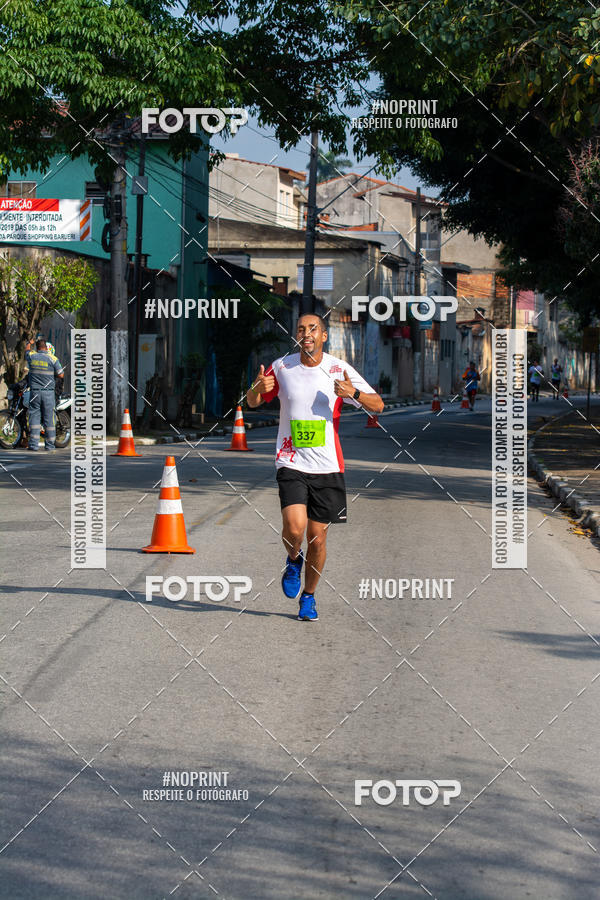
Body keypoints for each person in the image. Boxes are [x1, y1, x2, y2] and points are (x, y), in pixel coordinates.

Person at [246, 313, 384, 622]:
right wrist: (256, 387)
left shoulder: (338, 369)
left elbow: (378, 404)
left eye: (313, 329)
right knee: (294, 528)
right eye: (301, 329)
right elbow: (253, 401)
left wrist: (354, 394)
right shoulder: (282, 367)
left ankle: (308, 597)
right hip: (291, 461)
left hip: (328, 466)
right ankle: (293, 559)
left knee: (317, 539)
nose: (306, 333)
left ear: (324, 336)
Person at [25, 338, 64, 451]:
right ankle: (50, 446)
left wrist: (29, 343)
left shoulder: (32, 356)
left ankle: (33, 445)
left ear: (37, 348)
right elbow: (61, 375)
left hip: (35, 393)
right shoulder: (53, 358)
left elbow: (27, 351)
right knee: (49, 419)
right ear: (46, 348)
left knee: (34, 418)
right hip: (48, 393)